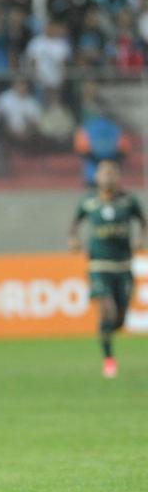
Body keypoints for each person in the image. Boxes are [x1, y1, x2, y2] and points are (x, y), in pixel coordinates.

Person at [68, 159, 144, 378]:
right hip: (99, 266)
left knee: (118, 320)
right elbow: (74, 225)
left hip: (123, 266)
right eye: (104, 173)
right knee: (107, 309)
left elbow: (143, 222)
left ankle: (106, 332)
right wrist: (73, 240)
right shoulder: (89, 202)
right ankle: (109, 359)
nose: (108, 177)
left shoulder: (128, 202)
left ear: (118, 177)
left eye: (112, 173)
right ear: (97, 177)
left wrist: (141, 239)